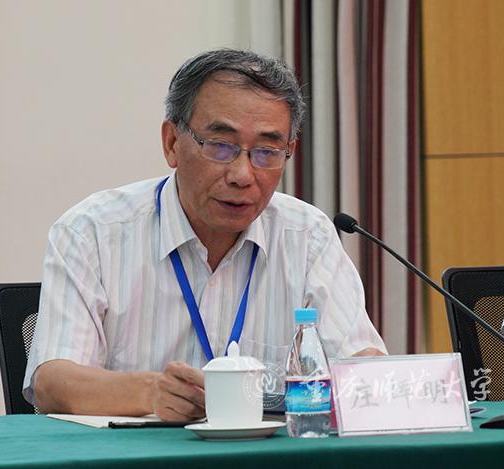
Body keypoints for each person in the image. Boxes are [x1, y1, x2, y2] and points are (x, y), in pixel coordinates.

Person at [23, 49, 387, 421]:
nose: (243, 175)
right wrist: (150, 393)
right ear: (171, 143)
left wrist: (372, 383)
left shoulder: (307, 236)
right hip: (138, 450)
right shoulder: (93, 233)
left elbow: (364, 367)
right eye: (220, 146)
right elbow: (52, 382)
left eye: (267, 151)